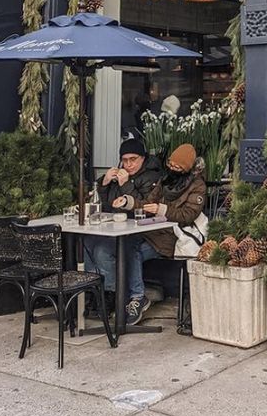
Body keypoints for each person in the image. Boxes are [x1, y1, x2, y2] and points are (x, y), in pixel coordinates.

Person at [113, 142, 206, 325]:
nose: (173, 169)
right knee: (125, 243)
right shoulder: (165, 181)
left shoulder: (197, 187)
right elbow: (148, 203)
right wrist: (128, 201)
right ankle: (131, 296)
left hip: (173, 236)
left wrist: (162, 209)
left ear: (187, 169)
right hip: (152, 230)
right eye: (171, 165)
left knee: (132, 250)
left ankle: (137, 298)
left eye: (178, 167)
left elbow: (188, 216)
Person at [84, 134, 163, 314]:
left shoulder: (153, 177)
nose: (129, 164)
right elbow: (105, 206)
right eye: (124, 160)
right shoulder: (118, 177)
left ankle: (113, 294)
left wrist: (126, 185)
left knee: (102, 251)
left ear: (143, 158)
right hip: (116, 230)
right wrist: (103, 184)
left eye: (133, 159)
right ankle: (95, 291)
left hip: (145, 234)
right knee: (87, 243)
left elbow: (144, 207)